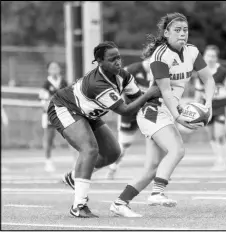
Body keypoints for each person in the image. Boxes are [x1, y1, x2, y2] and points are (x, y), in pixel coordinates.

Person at [109, 12, 216, 217]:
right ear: (166, 33)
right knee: (177, 150)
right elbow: (165, 91)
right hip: (153, 111)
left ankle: (120, 203)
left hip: (167, 111)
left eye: (185, 30)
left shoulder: (192, 51)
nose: (182, 34)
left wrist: (208, 104)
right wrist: (178, 116)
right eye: (177, 30)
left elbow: (208, 80)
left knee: (152, 169)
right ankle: (157, 193)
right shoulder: (160, 55)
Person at [47, 41, 161, 218]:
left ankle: (73, 177)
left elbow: (139, 101)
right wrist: (150, 93)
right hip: (64, 107)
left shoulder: (124, 76)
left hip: (87, 113)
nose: (118, 62)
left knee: (113, 153)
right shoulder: (97, 83)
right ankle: (79, 205)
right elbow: (125, 110)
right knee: (89, 149)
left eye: (119, 57)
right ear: (99, 62)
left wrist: (160, 106)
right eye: (112, 59)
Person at [194, 45, 226, 171]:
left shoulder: (224, 72)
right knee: (211, 135)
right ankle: (218, 159)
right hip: (207, 107)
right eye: (208, 56)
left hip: (222, 106)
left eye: (213, 56)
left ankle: (222, 160)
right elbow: (198, 93)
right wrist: (194, 109)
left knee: (219, 134)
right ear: (204, 57)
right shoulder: (201, 73)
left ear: (217, 58)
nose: (210, 58)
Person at [105, 59, 153, 179]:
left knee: (157, 140)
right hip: (130, 111)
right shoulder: (131, 70)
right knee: (124, 144)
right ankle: (113, 167)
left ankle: (159, 171)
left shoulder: (160, 70)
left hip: (150, 111)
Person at [38, 62, 68, 172]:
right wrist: (49, 109)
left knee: (71, 136)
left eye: (56, 67)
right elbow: (43, 101)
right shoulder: (46, 84)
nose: (54, 69)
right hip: (50, 115)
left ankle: (77, 160)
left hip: (63, 114)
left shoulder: (64, 82)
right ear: (48, 70)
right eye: (52, 68)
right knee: (49, 139)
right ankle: (48, 161)